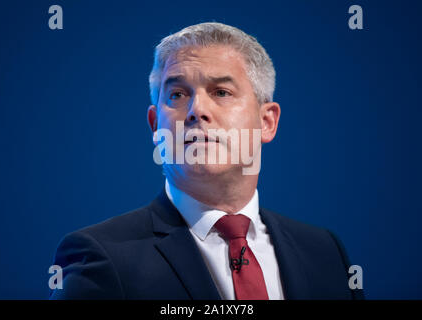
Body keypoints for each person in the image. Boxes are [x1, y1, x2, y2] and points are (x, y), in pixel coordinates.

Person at [49, 22, 364, 300]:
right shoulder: (101, 256)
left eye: (221, 92)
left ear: (267, 122)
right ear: (155, 125)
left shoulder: (325, 252)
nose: (196, 110)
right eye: (177, 95)